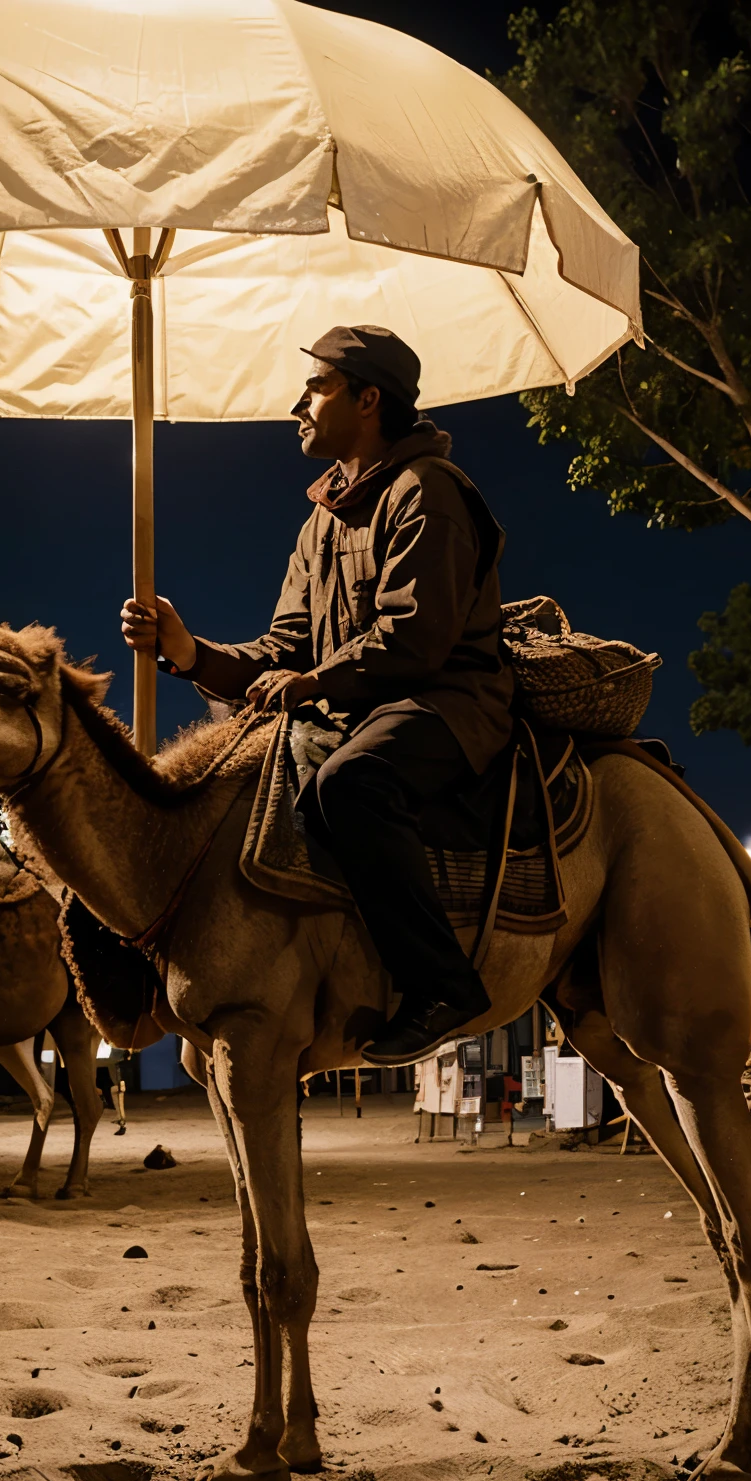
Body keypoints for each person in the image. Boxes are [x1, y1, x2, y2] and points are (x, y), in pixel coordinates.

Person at [123, 324, 513, 1067]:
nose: (298, 405)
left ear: (368, 400)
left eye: (316, 387)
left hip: (446, 704)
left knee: (352, 783)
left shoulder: (427, 492)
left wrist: (310, 683)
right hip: (358, 706)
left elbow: (415, 641)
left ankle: (442, 986)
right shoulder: (322, 519)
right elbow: (282, 648)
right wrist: (187, 651)